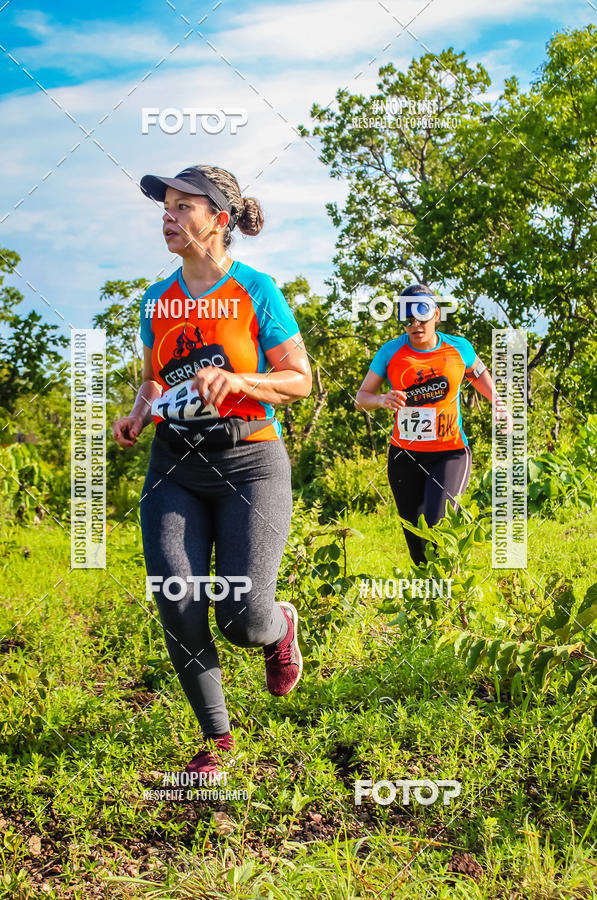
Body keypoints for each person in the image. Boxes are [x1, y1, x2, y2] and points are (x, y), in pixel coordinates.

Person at [112, 164, 312, 775]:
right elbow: (155, 377)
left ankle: (278, 628)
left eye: (183, 207)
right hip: (175, 465)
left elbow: (301, 381)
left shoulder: (256, 289)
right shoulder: (156, 300)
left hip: (251, 460)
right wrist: (138, 415)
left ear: (220, 220)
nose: (168, 217)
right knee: (177, 598)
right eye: (165, 207)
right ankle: (217, 741)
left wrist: (241, 380)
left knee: (243, 618)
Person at [355, 283, 504, 566]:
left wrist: (497, 402)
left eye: (421, 315)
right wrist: (382, 399)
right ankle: (430, 604)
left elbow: (477, 373)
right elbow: (361, 399)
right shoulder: (390, 352)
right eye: (407, 319)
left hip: (450, 453)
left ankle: (449, 600)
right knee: (418, 547)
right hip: (404, 456)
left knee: (438, 530)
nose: (415, 324)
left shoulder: (459, 348)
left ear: (436, 314)